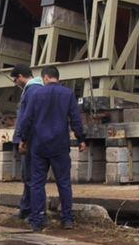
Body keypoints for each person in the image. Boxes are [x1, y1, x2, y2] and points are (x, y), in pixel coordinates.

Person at [13, 65, 85, 231]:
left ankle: (38, 220)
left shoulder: (36, 93)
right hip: (60, 144)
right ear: (56, 77)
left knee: (37, 183)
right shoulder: (68, 94)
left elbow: (27, 119)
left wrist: (23, 139)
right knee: (64, 182)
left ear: (45, 78)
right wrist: (81, 138)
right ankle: (67, 219)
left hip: (39, 145)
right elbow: (75, 119)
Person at [10, 66, 43, 221]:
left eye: (15, 79)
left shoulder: (31, 90)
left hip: (30, 141)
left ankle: (31, 211)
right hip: (35, 140)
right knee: (30, 177)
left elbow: (27, 117)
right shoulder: (36, 89)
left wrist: (23, 139)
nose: (15, 83)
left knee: (29, 177)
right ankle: (27, 208)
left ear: (21, 76)